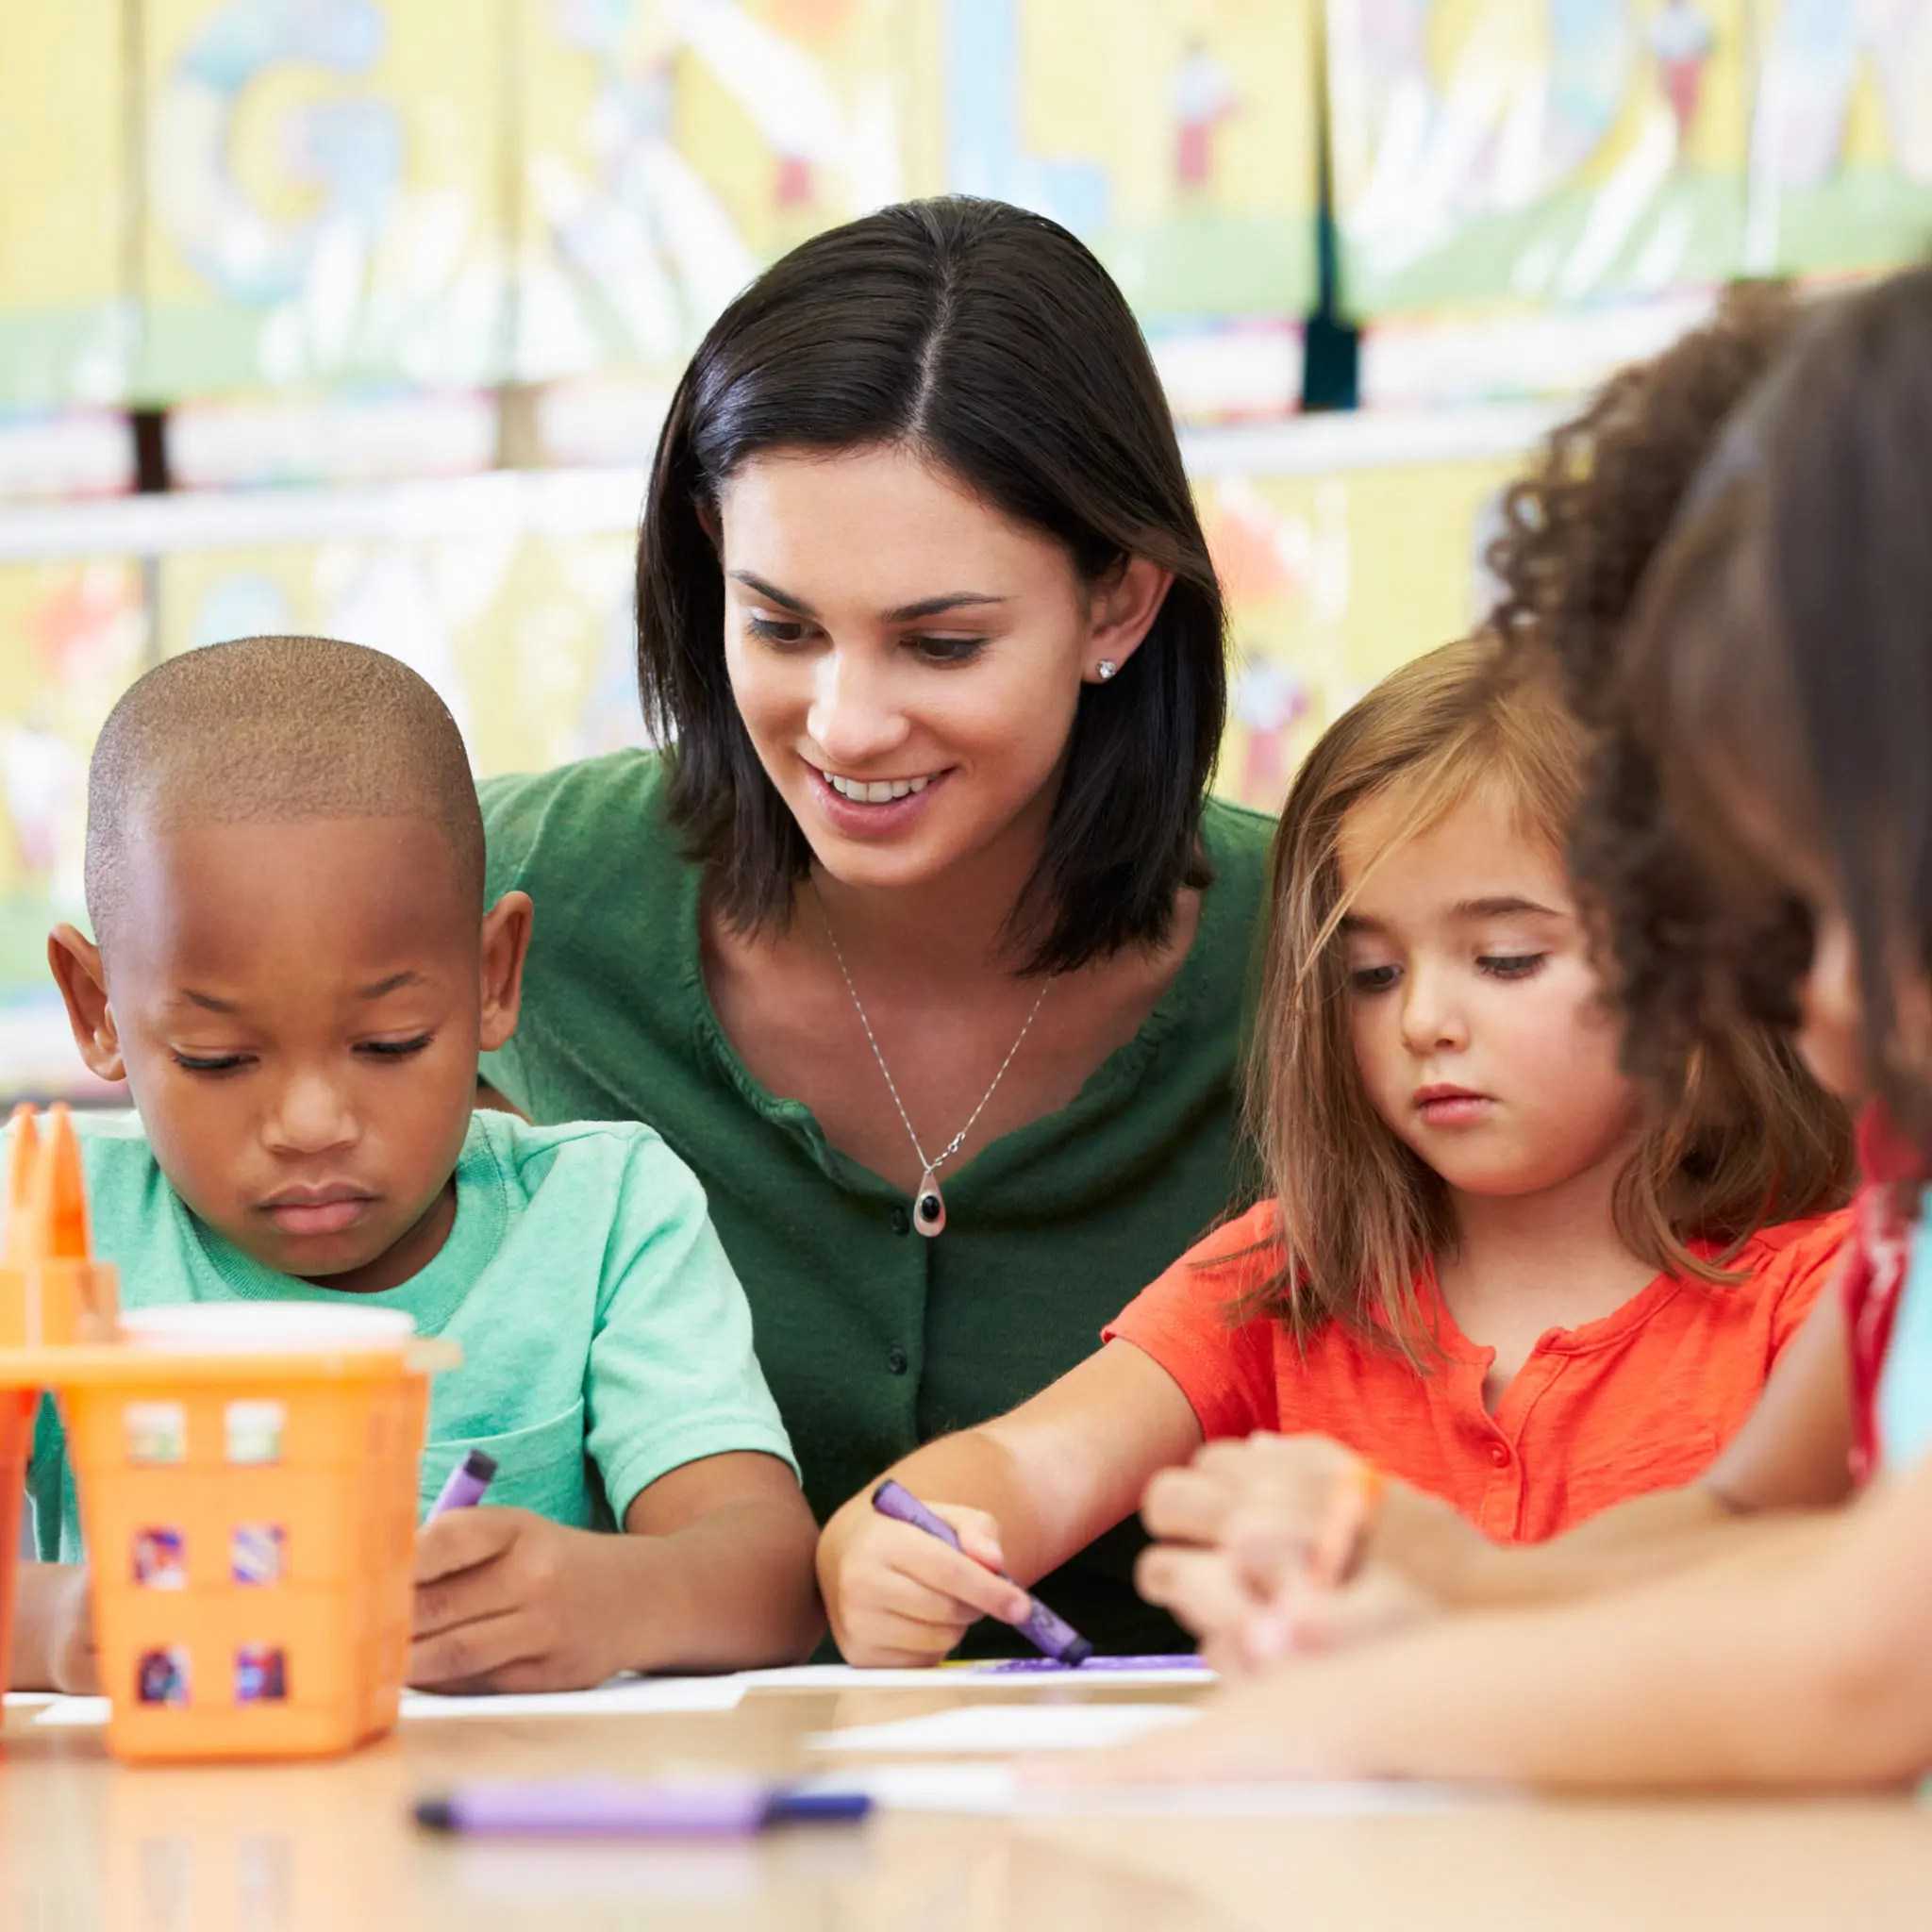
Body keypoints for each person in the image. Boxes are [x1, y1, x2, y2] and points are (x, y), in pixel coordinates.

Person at [1064, 261, 1932, 1792]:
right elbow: (1748, 1527)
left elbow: (1863, 1661)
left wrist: (1348, 1715)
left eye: (1866, 897)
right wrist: (1458, 1585)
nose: (1825, 993)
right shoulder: (1903, 1200)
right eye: (1778, 913)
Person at [477, 196, 1273, 1654]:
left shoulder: (1337, 949)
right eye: (781, 627)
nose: (844, 724)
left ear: (1120, 604)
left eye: (941, 643)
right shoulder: (517, 891)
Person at [816, 632, 1851, 1666]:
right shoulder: (1288, 1275)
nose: (1423, 1022)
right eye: (1370, 975)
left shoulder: (1829, 1297)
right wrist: (888, 1548)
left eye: (1504, 959)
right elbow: (1023, 1466)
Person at [9, 636, 819, 1694]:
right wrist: (52, 1624)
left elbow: (774, 1578)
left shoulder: (602, 1214)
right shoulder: (46, 1225)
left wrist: (611, 1598)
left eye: (389, 1044)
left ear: (493, 979)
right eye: (217, 1058)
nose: (311, 1124)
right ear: (96, 1008)